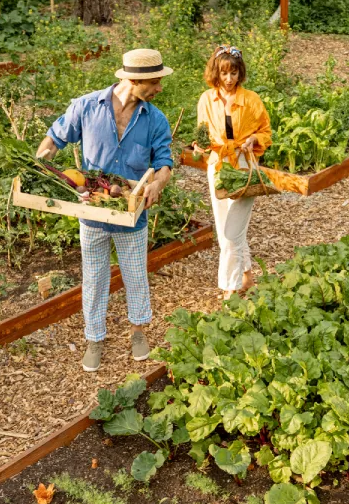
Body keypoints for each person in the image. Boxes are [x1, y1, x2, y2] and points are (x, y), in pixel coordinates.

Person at [35, 48, 174, 373]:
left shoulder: (155, 119)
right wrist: (42, 159)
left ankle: (138, 332)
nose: (159, 89)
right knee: (95, 279)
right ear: (135, 80)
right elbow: (54, 139)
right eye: (155, 82)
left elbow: (164, 162)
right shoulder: (86, 107)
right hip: (93, 212)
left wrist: (157, 184)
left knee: (136, 277)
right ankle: (94, 338)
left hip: (131, 215)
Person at [193, 45, 272, 300]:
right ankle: (247, 276)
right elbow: (202, 133)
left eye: (234, 73)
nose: (229, 79)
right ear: (217, 72)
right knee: (225, 227)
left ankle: (230, 288)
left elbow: (266, 132)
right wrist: (198, 145)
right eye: (225, 73)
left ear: (240, 73)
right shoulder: (206, 99)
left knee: (231, 233)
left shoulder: (251, 100)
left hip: (243, 165)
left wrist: (253, 139)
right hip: (217, 165)